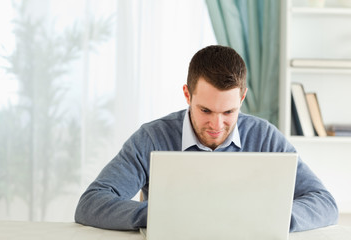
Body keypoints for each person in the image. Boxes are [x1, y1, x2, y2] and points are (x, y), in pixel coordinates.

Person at [74, 45, 338, 232]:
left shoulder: (265, 136)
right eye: (205, 110)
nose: (217, 124)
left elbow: (324, 202)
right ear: (188, 95)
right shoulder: (152, 137)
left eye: (229, 112)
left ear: (242, 98)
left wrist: (273, 218)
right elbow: (91, 203)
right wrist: (158, 215)